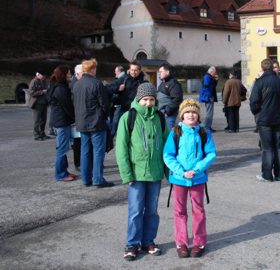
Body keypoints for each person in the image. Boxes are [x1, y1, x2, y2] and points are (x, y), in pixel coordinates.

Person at [116, 83, 168, 261]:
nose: (148, 103)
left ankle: (148, 241)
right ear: (139, 99)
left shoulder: (159, 118)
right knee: (136, 210)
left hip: (155, 174)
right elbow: (121, 148)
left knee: (152, 210)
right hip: (136, 175)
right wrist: (126, 174)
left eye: (151, 99)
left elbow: (168, 148)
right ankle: (132, 244)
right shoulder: (128, 117)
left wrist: (169, 173)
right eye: (145, 99)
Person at [163, 99, 216, 258]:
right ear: (182, 115)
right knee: (179, 211)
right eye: (187, 112)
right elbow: (168, 155)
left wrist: (196, 169)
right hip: (179, 179)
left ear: (198, 115)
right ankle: (182, 243)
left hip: (197, 178)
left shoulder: (204, 132)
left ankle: (199, 242)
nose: (191, 115)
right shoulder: (176, 132)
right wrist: (181, 172)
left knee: (198, 210)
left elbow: (211, 154)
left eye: (194, 112)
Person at [72, 59, 114, 188]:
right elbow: (104, 104)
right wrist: (106, 114)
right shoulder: (96, 83)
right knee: (98, 152)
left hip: (82, 122)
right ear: (92, 69)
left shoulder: (77, 85)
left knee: (85, 151)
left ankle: (86, 178)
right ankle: (98, 179)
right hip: (96, 122)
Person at [250, 59, 280, 182]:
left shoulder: (260, 82)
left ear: (262, 68)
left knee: (267, 148)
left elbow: (254, 102)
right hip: (278, 118)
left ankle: (267, 175)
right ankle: (279, 174)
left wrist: (258, 113)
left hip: (265, 119)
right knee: (279, 147)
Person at [48, 65, 76, 182]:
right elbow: (67, 106)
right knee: (62, 148)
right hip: (62, 122)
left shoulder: (58, 86)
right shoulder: (60, 89)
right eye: (69, 73)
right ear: (64, 75)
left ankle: (64, 171)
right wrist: (75, 118)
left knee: (63, 147)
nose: (70, 75)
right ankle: (60, 174)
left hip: (60, 121)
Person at [110, 61, 146, 137]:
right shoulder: (124, 79)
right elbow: (110, 87)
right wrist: (118, 88)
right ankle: (110, 144)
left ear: (139, 70)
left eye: (135, 70)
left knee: (133, 130)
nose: (133, 72)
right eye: (132, 70)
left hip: (135, 110)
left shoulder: (142, 82)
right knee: (114, 127)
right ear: (129, 70)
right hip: (122, 108)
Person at [157, 63, 183, 129]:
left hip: (168, 116)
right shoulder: (163, 83)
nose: (159, 73)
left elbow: (177, 100)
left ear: (167, 72)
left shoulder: (174, 84)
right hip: (161, 114)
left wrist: (167, 112)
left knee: (169, 134)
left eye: (161, 71)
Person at [28, 71, 50, 141]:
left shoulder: (44, 81)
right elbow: (31, 93)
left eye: (43, 75)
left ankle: (42, 133)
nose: (43, 76)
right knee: (37, 120)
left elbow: (47, 89)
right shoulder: (34, 81)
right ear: (37, 74)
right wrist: (42, 92)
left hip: (44, 103)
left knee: (44, 120)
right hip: (37, 103)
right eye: (42, 75)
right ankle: (36, 135)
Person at [69, 64, 83, 170]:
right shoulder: (74, 84)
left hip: (79, 117)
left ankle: (79, 162)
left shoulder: (76, 82)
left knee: (80, 141)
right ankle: (78, 163)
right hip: (76, 118)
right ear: (78, 73)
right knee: (77, 142)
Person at [199, 66, 218, 132]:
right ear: (211, 72)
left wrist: (215, 80)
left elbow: (213, 86)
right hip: (208, 97)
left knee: (210, 112)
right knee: (209, 113)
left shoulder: (209, 77)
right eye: (215, 72)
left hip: (209, 96)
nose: (215, 74)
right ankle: (207, 127)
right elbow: (206, 85)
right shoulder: (207, 77)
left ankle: (208, 126)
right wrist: (213, 79)